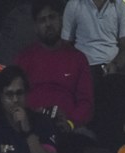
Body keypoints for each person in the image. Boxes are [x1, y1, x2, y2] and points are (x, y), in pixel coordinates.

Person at [15, 0, 94, 140]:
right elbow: (15, 97)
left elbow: (86, 103)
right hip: (32, 127)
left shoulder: (78, 58)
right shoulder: (24, 58)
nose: (48, 24)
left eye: (52, 17)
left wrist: (70, 123)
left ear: (61, 20)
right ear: (35, 27)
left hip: (69, 130)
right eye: (42, 20)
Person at [0, 66, 57, 153]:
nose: (15, 99)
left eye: (19, 93)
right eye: (9, 94)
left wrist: (27, 131)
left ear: (26, 94)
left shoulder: (42, 121)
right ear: (1, 97)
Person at [61, 0, 125, 79]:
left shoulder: (121, 5)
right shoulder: (74, 4)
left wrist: (115, 65)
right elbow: (65, 44)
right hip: (82, 66)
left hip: (112, 66)